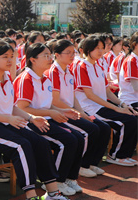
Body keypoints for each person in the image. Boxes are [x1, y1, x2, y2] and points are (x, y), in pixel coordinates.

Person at [0, 40, 78, 200]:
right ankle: (31, 198)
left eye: (12, 56)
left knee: (39, 142)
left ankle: (53, 193)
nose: (10, 60)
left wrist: (31, 118)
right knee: (21, 145)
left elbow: (12, 106)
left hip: (2, 122)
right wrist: (9, 118)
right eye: (5, 57)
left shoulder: (7, 77)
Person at [14, 43, 82, 195]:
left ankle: (69, 178)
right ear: (33, 59)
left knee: (78, 137)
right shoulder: (26, 78)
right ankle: (54, 182)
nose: (49, 58)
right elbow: (22, 108)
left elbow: (48, 104)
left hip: (45, 119)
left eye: (49, 54)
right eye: (45, 55)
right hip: (31, 122)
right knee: (68, 140)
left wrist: (65, 111)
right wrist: (51, 113)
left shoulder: (45, 78)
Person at [46, 38, 110, 179]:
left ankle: (92, 162)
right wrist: (76, 112)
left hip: (72, 110)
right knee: (90, 130)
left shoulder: (69, 71)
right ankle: (81, 165)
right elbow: (55, 100)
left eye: (73, 52)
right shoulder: (53, 72)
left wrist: (81, 112)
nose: (72, 55)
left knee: (103, 127)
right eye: (68, 52)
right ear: (57, 54)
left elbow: (73, 96)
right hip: (59, 112)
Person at [74, 36, 138, 167]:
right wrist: (116, 108)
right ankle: (115, 155)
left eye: (102, 48)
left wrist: (122, 104)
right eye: (97, 48)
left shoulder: (98, 66)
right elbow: (90, 95)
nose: (100, 51)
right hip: (89, 107)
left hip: (101, 105)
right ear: (87, 49)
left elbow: (107, 92)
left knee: (132, 117)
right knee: (124, 122)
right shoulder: (82, 66)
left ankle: (123, 155)